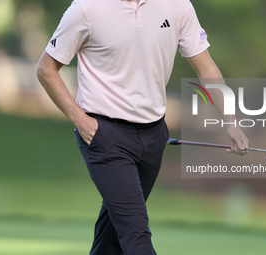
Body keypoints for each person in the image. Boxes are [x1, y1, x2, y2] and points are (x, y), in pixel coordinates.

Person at [36, 0, 249, 254]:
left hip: (154, 135)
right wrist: (81, 121)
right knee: (135, 233)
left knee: (112, 238)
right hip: (104, 135)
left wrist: (231, 121)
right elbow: (46, 69)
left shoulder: (178, 6)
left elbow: (207, 68)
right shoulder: (87, 8)